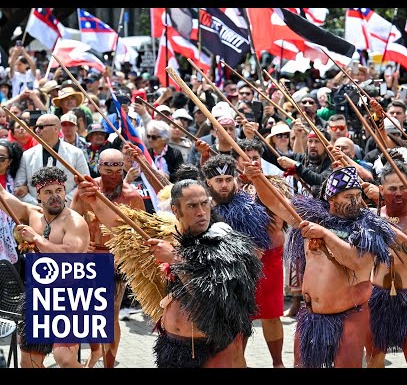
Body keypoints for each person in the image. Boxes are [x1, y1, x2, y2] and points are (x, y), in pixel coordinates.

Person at [78, 177, 262, 368]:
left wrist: (175, 259)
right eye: (192, 206)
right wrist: (94, 200)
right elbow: (122, 227)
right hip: (172, 347)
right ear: (176, 210)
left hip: (213, 351)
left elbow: (213, 297)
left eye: (204, 204)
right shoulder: (169, 235)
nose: (201, 212)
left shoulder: (224, 242)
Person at [244, 164, 396, 368]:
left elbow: (357, 261)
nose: (356, 202)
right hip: (311, 316)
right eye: (348, 196)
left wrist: (325, 235)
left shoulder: (369, 226)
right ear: (332, 199)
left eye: (358, 196)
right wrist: (257, 179)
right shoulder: (311, 218)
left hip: (350, 315)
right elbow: (276, 203)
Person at [202, 154, 288, 367]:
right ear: (208, 183)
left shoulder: (253, 204)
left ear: (236, 180)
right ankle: (238, 361)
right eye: (218, 180)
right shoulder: (203, 210)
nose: (224, 185)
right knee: (237, 321)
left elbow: (278, 218)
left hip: (265, 265)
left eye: (228, 179)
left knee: (271, 315)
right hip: (226, 273)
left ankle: (278, 363)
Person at [0, 166, 90, 368]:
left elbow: (71, 258)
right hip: (38, 298)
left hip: (70, 299)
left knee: (64, 358)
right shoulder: (31, 214)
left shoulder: (74, 222)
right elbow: (2, 195)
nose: (55, 196)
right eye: (48, 192)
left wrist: (37, 239)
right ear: (38, 194)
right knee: (29, 362)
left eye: (59, 190)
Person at [70, 148, 145, 368]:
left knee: (109, 316)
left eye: (117, 168)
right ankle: (95, 354)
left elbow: (141, 233)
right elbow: (72, 220)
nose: (112, 174)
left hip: (115, 262)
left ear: (124, 168)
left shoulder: (132, 196)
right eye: (107, 168)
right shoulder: (85, 191)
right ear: (99, 167)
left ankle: (109, 365)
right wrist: (82, 243)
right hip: (87, 259)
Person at [365, 163, 407, 368]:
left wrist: (389, 229)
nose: (399, 193)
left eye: (403, 187)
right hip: (377, 296)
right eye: (392, 188)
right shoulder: (371, 216)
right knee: (374, 358)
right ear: (381, 190)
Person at [14, 114, 90, 205]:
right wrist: (38, 205)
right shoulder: (27, 155)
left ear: (56, 128)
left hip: (68, 211)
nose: (37, 131)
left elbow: (84, 184)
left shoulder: (76, 153)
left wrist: (62, 203)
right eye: (36, 127)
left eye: (41, 127)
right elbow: (18, 188)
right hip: (37, 211)